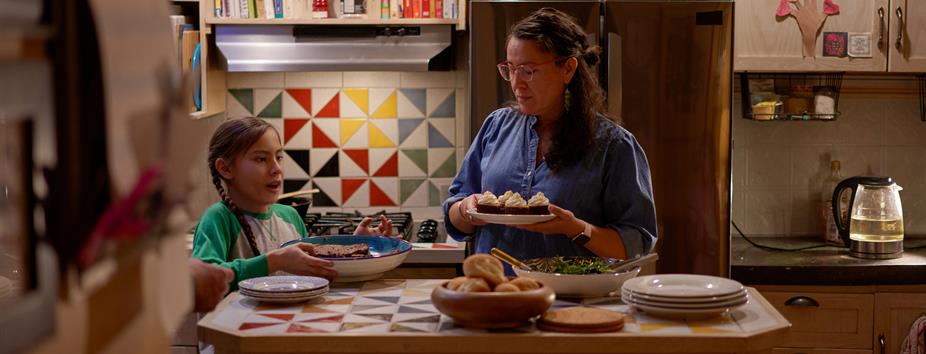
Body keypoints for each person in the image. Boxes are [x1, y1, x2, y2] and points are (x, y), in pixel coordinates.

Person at [443, 8, 657, 273]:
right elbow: (455, 213)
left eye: (529, 71)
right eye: (510, 69)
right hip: (497, 294)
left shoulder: (614, 145)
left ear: (567, 68)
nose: (516, 84)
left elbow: (636, 243)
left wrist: (576, 228)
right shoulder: (496, 126)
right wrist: (465, 209)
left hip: (574, 301)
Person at [193, 117, 393, 287]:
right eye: (261, 159)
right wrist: (274, 261)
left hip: (290, 326)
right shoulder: (218, 218)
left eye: (279, 157)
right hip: (241, 330)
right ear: (226, 169)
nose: (276, 169)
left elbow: (314, 269)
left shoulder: (289, 216)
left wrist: (353, 247)